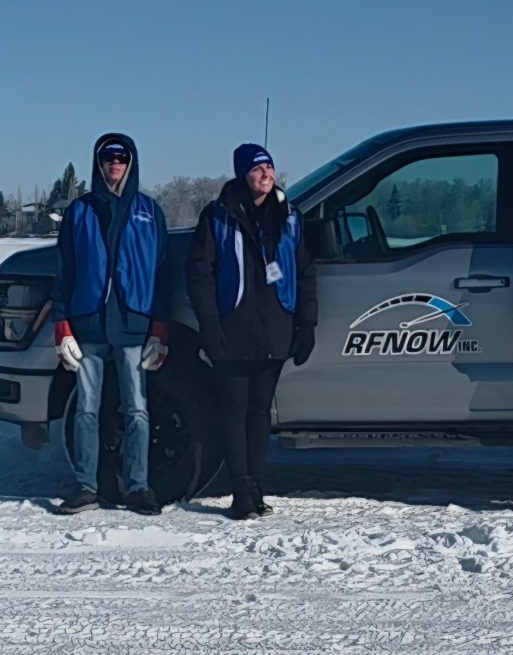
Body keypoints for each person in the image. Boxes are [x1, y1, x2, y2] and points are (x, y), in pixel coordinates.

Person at [186, 143, 318, 520]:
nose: (266, 175)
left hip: (276, 327)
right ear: (243, 174)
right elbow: (200, 274)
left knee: (260, 411)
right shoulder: (218, 216)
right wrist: (210, 324)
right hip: (232, 328)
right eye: (258, 169)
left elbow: (306, 273)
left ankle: (257, 485)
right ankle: (240, 487)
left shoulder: (290, 217)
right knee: (234, 409)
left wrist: (306, 323)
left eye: (270, 168)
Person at [53, 134, 170, 516]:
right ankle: (86, 486)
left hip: (134, 324)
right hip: (88, 325)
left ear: (131, 162)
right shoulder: (79, 211)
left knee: (137, 409)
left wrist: (160, 328)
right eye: (108, 157)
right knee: (86, 409)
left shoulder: (149, 211)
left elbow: (162, 273)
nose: (114, 163)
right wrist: (61, 325)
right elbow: (64, 271)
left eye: (121, 156)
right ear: (98, 163)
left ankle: (139, 486)